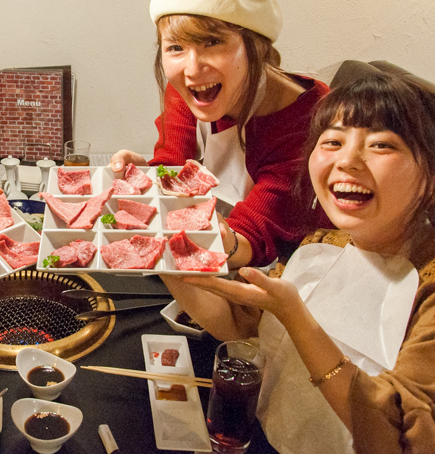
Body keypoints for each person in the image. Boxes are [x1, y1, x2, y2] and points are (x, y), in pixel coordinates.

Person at [169, 72, 435, 453]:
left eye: (381, 145)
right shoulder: (324, 242)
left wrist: (296, 316)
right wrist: (163, 253)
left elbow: (403, 440)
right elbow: (240, 326)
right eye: (332, 141)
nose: (348, 160)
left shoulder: (427, 285)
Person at [112, 0, 330, 268]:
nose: (193, 68)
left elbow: (255, 235)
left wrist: (220, 238)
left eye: (212, 43)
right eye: (175, 47)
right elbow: (172, 166)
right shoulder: (189, 86)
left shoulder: (306, 118)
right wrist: (147, 176)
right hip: (209, 241)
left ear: (256, 47)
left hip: (278, 268)